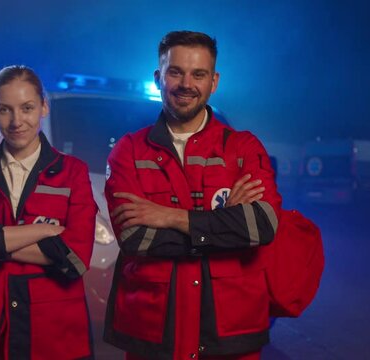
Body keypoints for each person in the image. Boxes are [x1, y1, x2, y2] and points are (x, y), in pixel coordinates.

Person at [103, 31, 281, 360]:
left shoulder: (243, 148)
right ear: (158, 77)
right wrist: (225, 225)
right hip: (155, 329)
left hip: (229, 331)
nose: (187, 83)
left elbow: (262, 226)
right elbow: (135, 238)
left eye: (198, 74)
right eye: (176, 72)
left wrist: (172, 217)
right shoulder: (129, 151)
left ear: (214, 82)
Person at [0, 65, 97, 359]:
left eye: (27, 108)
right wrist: (44, 231)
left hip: (50, 325)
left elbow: (76, 258)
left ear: (43, 107)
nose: (16, 121)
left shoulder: (73, 173)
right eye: (5, 110)